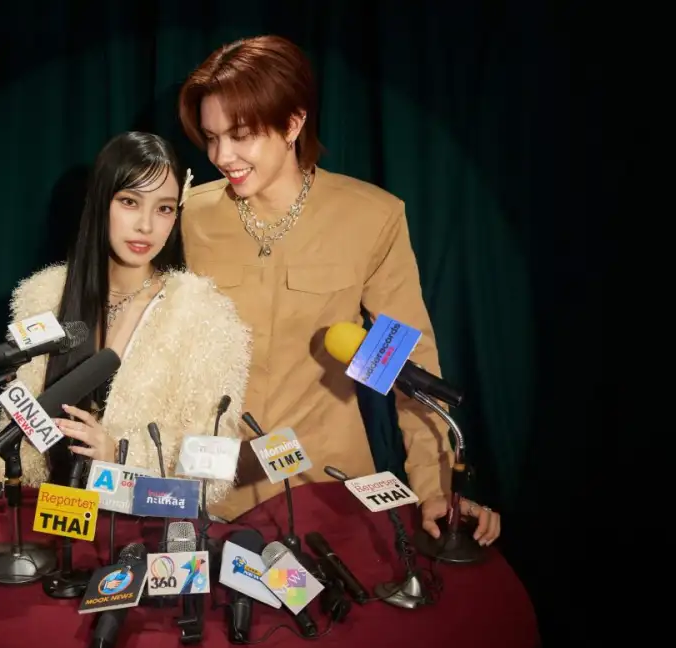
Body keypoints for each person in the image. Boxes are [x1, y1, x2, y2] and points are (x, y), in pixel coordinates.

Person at [176, 35, 501, 546]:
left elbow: (408, 363)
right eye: (212, 137)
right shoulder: (189, 215)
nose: (222, 155)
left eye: (240, 135)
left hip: (327, 490)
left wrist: (435, 488)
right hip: (214, 493)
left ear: (292, 123)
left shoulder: (371, 216)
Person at [0, 131, 252, 535]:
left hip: (145, 534)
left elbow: (209, 478)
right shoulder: (45, 297)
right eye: (129, 202)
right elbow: (15, 443)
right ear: (100, 202)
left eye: (163, 208)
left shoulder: (205, 316)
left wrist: (118, 457)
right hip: (53, 523)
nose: (146, 225)